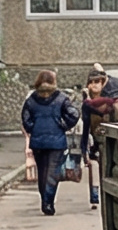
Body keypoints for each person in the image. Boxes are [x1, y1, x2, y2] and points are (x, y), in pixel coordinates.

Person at [20, 70, 79, 215]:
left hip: (38, 141)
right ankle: (48, 203)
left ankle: (44, 200)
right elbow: (74, 114)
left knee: (42, 171)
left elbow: (25, 119)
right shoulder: (61, 98)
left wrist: (33, 129)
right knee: (52, 173)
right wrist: (64, 125)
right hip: (56, 141)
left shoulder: (32, 99)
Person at [79, 65, 118, 209]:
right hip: (97, 141)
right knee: (97, 169)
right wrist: (84, 149)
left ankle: (114, 197)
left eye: (97, 82)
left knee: (112, 170)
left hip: (113, 141)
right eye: (91, 82)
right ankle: (96, 197)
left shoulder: (111, 102)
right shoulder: (87, 105)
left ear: (102, 84)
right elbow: (86, 127)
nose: (94, 85)